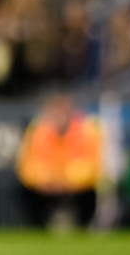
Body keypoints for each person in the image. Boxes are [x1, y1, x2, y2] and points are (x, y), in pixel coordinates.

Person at [15, 93, 102, 229]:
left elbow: (95, 166)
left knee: (90, 194)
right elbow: (27, 167)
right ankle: (36, 229)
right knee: (24, 192)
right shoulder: (37, 131)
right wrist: (47, 180)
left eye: (63, 110)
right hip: (46, 187)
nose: (59, 115)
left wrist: (67, 181)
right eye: (55, 111)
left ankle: (83, 227)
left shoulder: (87, 130)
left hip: (77, 188)